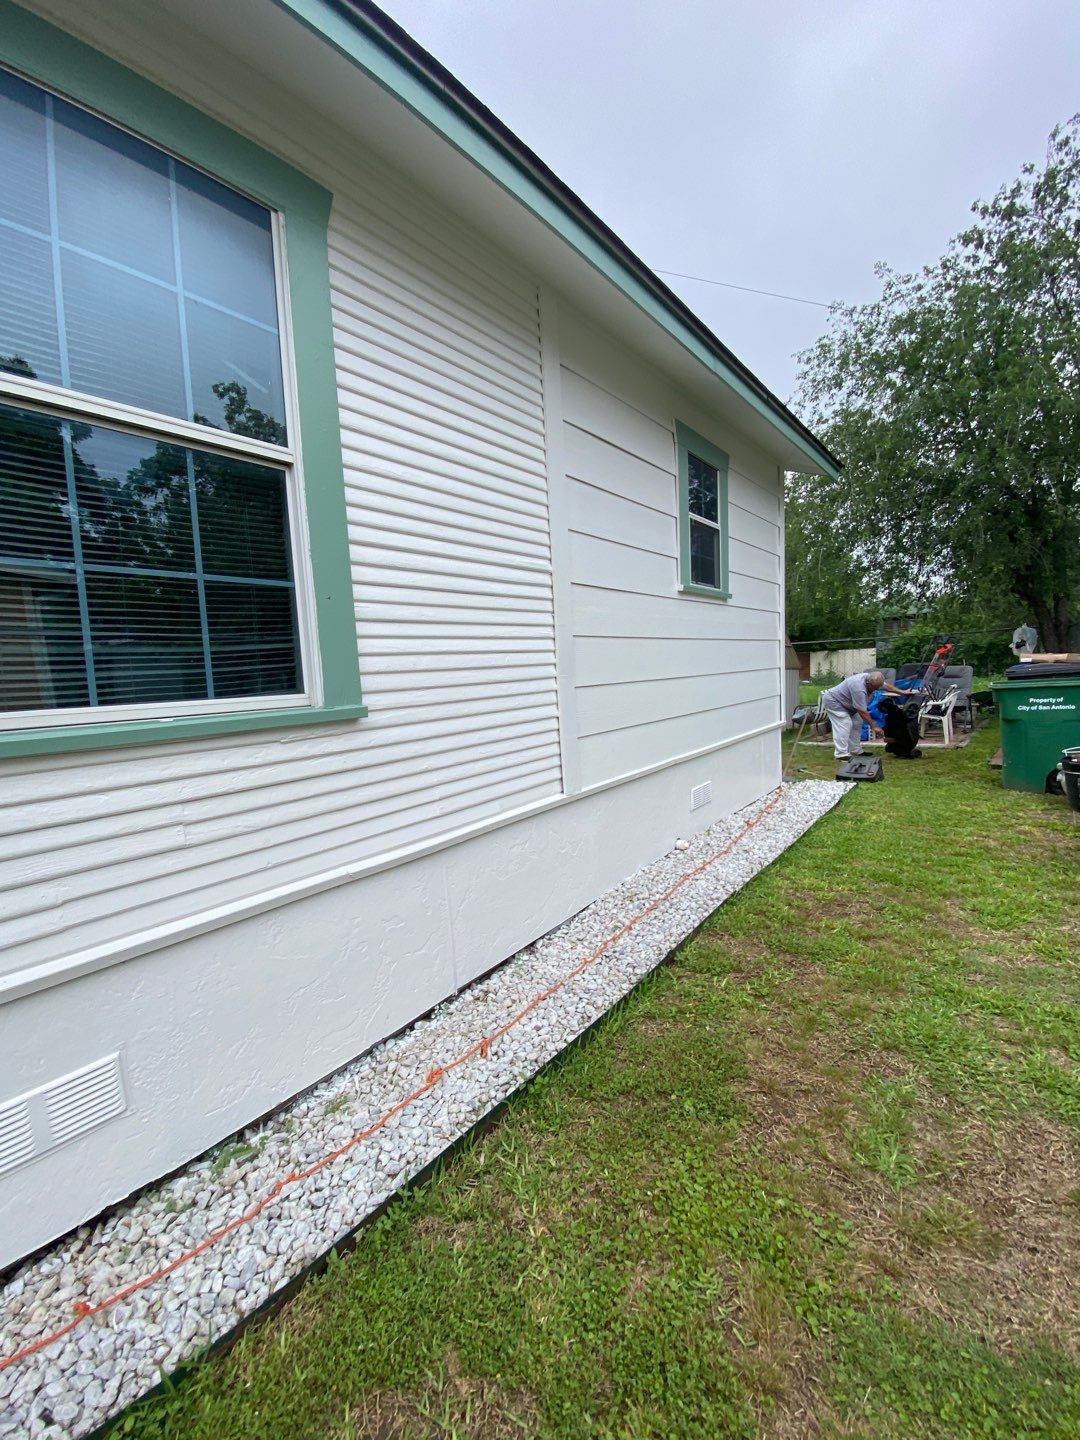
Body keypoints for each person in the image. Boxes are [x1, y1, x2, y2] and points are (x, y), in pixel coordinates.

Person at [821, 670, 910, 762]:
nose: (876, 690)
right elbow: (862, 711)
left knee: (857, 723)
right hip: (834, 701)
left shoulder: (873, 679)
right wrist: (874, 726)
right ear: (868, 684)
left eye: (878, 688)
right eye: (875, 688)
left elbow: (886, 686)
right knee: (844, 724)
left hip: (848, 703)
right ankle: (841, 754)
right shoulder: (859, 688)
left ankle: (856, 751)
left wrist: (902, 692)